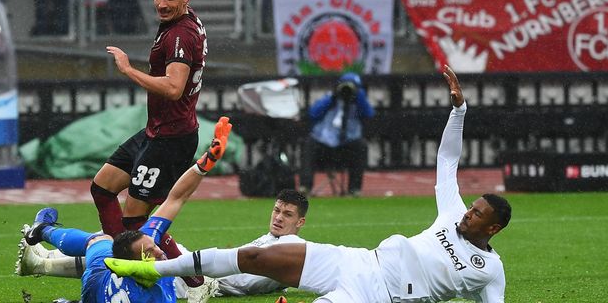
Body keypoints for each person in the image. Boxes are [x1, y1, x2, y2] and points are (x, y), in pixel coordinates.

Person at [107, 66, 514, 303]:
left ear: (492, 227)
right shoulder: (451, 214)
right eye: (472, 206)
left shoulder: (490, 271)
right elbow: (447, 161)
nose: (468, 212)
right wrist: (459, 110)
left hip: (377, 296)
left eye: (478, 214)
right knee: (253, 256)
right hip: (359, 260)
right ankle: (152, 268)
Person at [91, 0, 208, 285]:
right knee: (102, 188)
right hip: (157, 130)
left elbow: (173, 88)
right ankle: (120, 255)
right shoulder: (186, 16)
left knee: (136, 222)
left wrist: (128, 70)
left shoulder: (180, 37)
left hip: (170, 138)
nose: (161, 3)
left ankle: (191, 280)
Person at [17, 117, 232, 303]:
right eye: (149, 253)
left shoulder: (155, 262)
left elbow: (176, 198)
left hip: (102, 272)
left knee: (99, 241)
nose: (159, 251)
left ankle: (42, 230)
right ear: (132, 266)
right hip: (96, 285)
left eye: (152, 246)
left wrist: (206, 162)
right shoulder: (144, 294)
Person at [15, 189, 310, 301]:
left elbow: (305, 273)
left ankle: (44, 254)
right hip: (198, 270)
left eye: (287, 215)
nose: (279, 218)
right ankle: (44, 259)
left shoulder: (295, 247)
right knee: (123, 249)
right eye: (277, 210)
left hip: (201, 281)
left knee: (123, 247)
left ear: (300, 223)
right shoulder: (276, 242)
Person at [298, 72, 374, 197]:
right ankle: (305, 186)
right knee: (309, 143)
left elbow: (369, 114)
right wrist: (332, 97)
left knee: (361, 145)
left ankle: (354, 189)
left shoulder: (359, 104)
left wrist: (359, 96)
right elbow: (313, 113)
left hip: (346, 147)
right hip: (324, 147)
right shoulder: (330, 99)